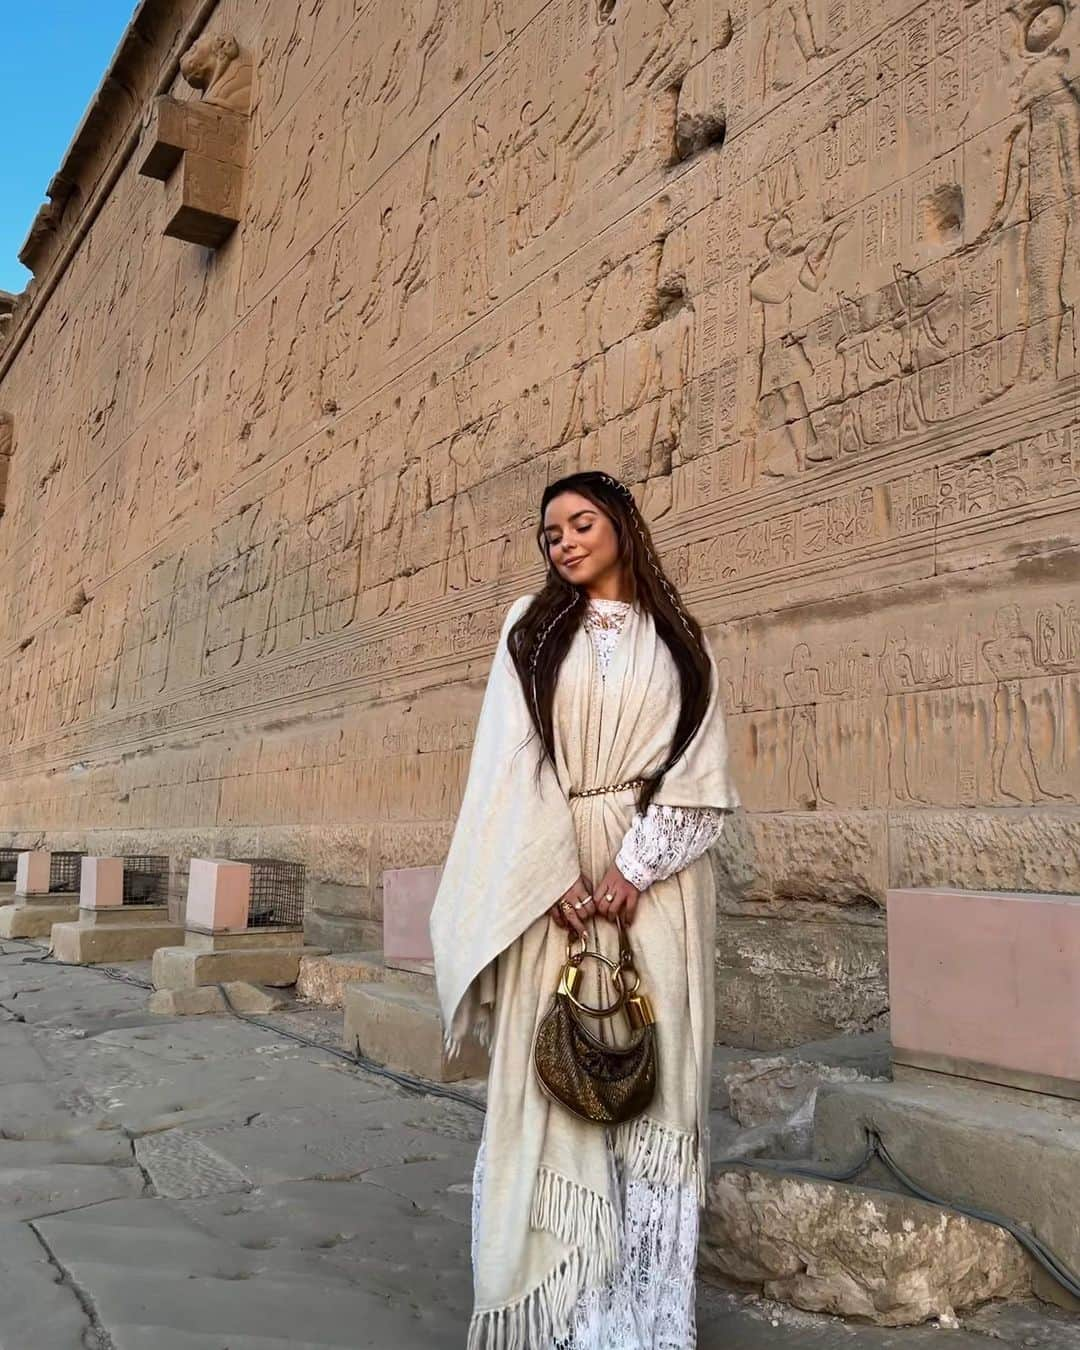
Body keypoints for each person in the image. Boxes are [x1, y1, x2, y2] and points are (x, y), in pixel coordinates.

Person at [431, 471, 738, 1348]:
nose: (563, 541)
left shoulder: (684, 640)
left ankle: (639, 1326)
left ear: (622, 526)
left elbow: (701, 763)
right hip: (551, 880)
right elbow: (507, 758)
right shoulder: (529, 631)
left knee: (653, 1078)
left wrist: (637, 866)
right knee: (555, 1075)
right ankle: (562, 1318)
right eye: (550, 532)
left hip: (660, 888)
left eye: (580, 523)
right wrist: (552, 872)